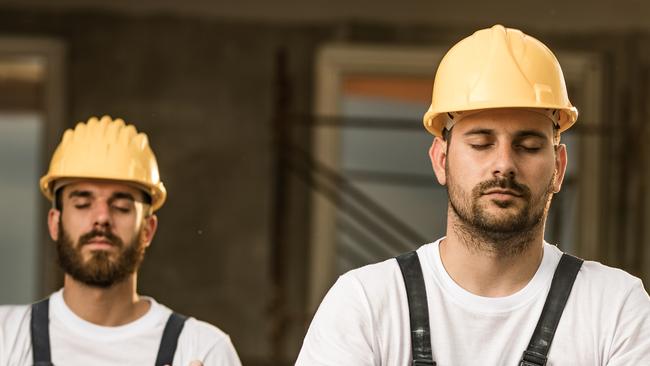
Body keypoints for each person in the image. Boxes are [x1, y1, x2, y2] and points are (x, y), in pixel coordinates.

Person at [296, 25, 650, 365]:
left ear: (558, 167)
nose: (504, 165)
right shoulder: (367, 304)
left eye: (528, 146)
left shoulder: (615, 308)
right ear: (441, 160)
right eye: (481, 144)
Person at [0, 116, 242, 365]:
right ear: (54, 223)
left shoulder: (201, 349)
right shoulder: (6, 339)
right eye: (83, 204)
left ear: (148, 229)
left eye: (122, 206)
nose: (102, 217)